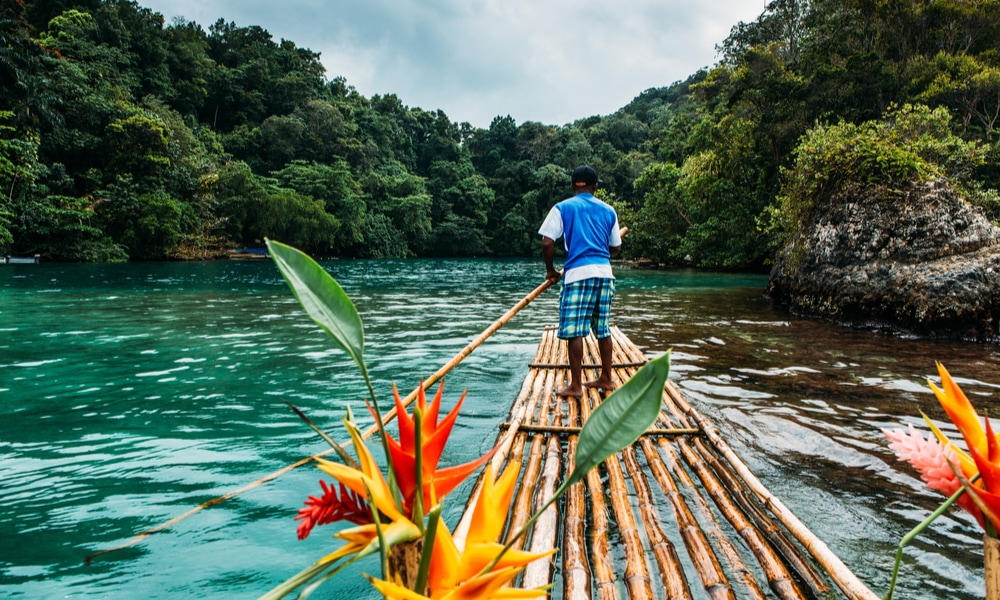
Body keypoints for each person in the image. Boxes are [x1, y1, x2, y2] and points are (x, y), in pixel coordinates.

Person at [538, 165, 627, 398]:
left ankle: (576, 385)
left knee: (575, 331)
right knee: (603, 328)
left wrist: (551, 271)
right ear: (595, 187)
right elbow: (616, 247)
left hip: (578, 275)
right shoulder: (609, 211)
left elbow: (547, 243)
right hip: (605, 275)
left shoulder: (562, 207)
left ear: (572, 186)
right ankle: (606, 378)